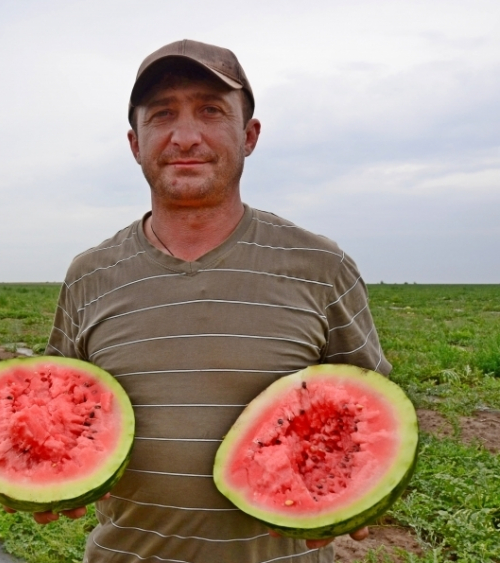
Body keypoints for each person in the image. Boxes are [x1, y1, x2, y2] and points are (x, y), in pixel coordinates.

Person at [28, 39, 389, 563]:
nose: (186, 135)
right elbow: (59, 410)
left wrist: (362, 486)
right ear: (135, 142)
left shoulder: (321, 266)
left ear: (249, 135)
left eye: (211, 111)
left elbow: (372, 412)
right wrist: (46, 469)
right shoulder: (90, 274)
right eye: (162, 115)